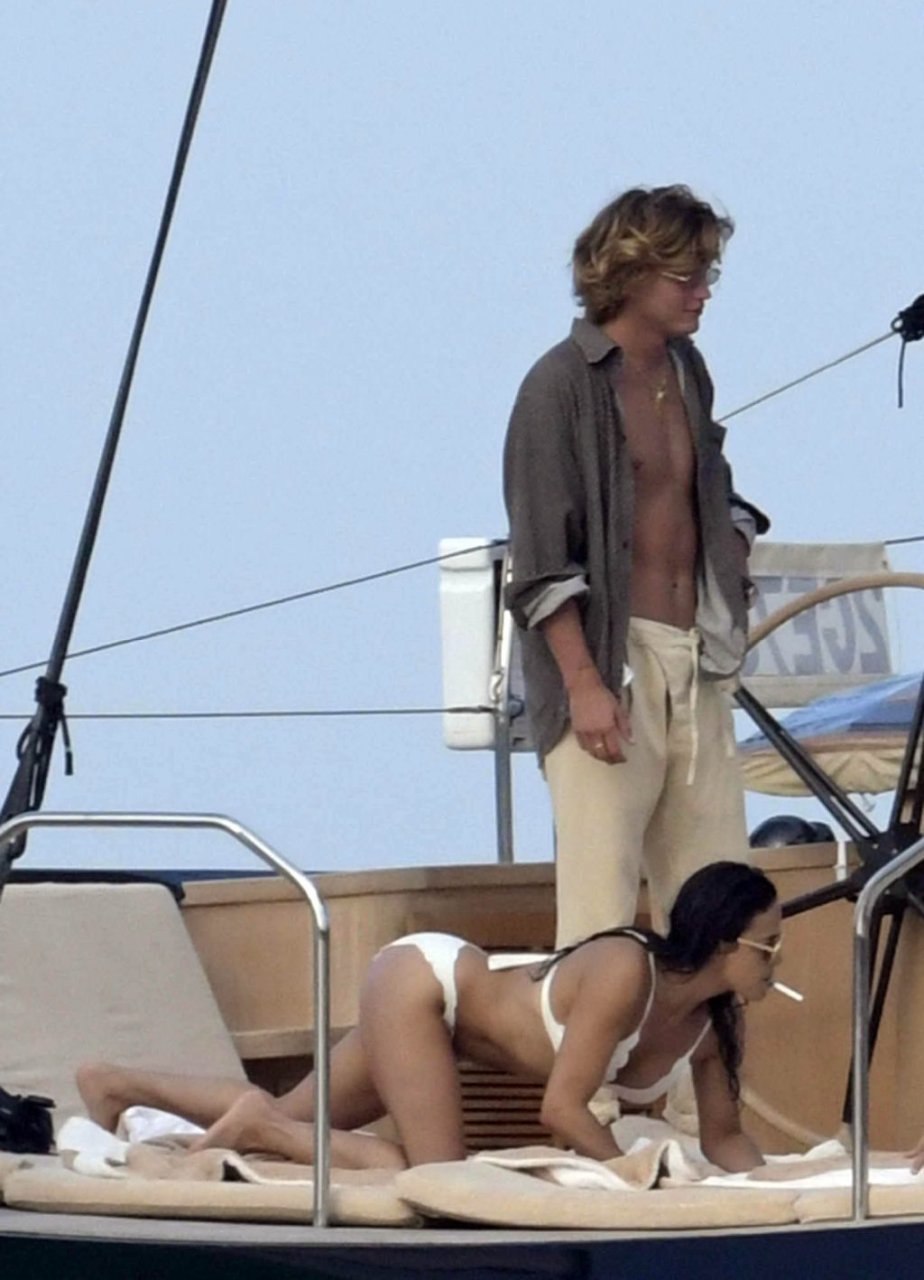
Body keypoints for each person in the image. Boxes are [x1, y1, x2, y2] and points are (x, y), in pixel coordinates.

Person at [77, 861, 781, 1172]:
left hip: (448, 1020)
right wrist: (632, 1182)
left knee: (295, 1117)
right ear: (725, 942)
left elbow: (725, 1139)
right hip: (425, 985)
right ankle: (257, 1128)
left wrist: (776, 1193)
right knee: (434, 1173)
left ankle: (117, 1084)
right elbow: (563, 1111)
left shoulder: (713, 1025)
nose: (778, 962)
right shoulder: (627, 970)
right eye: (769, 945)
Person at [503, 184, 769, 946]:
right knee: (600, 919)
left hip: (697, 662)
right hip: (610, 666)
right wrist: (583, 685)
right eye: (687, 276)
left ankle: (707, 1036)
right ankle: (601, 1038)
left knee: (722, 916)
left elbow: (710, 486)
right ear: (630, 273)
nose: (702, 292)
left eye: (709, 273)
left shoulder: (687, 371)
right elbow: (540, 562)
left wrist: (733, 546)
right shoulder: (557, 387)